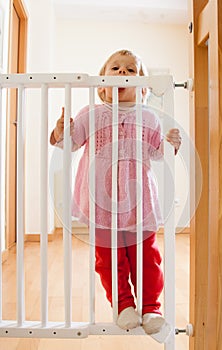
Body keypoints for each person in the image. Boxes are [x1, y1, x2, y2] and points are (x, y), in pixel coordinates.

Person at [50, 49, 181, 335]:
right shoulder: (91, 113)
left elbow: (158, 153)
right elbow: (71, 143)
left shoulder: (150, 118)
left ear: (143, 86)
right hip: (100, 201)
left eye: (131, 70)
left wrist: (170, 144)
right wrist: (62, 131)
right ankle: (123, 305)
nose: (123, 74)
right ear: (102, 84)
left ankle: (151, 307)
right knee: (109, 257)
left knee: (146, 255)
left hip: (139, 201)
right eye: (116, 69)